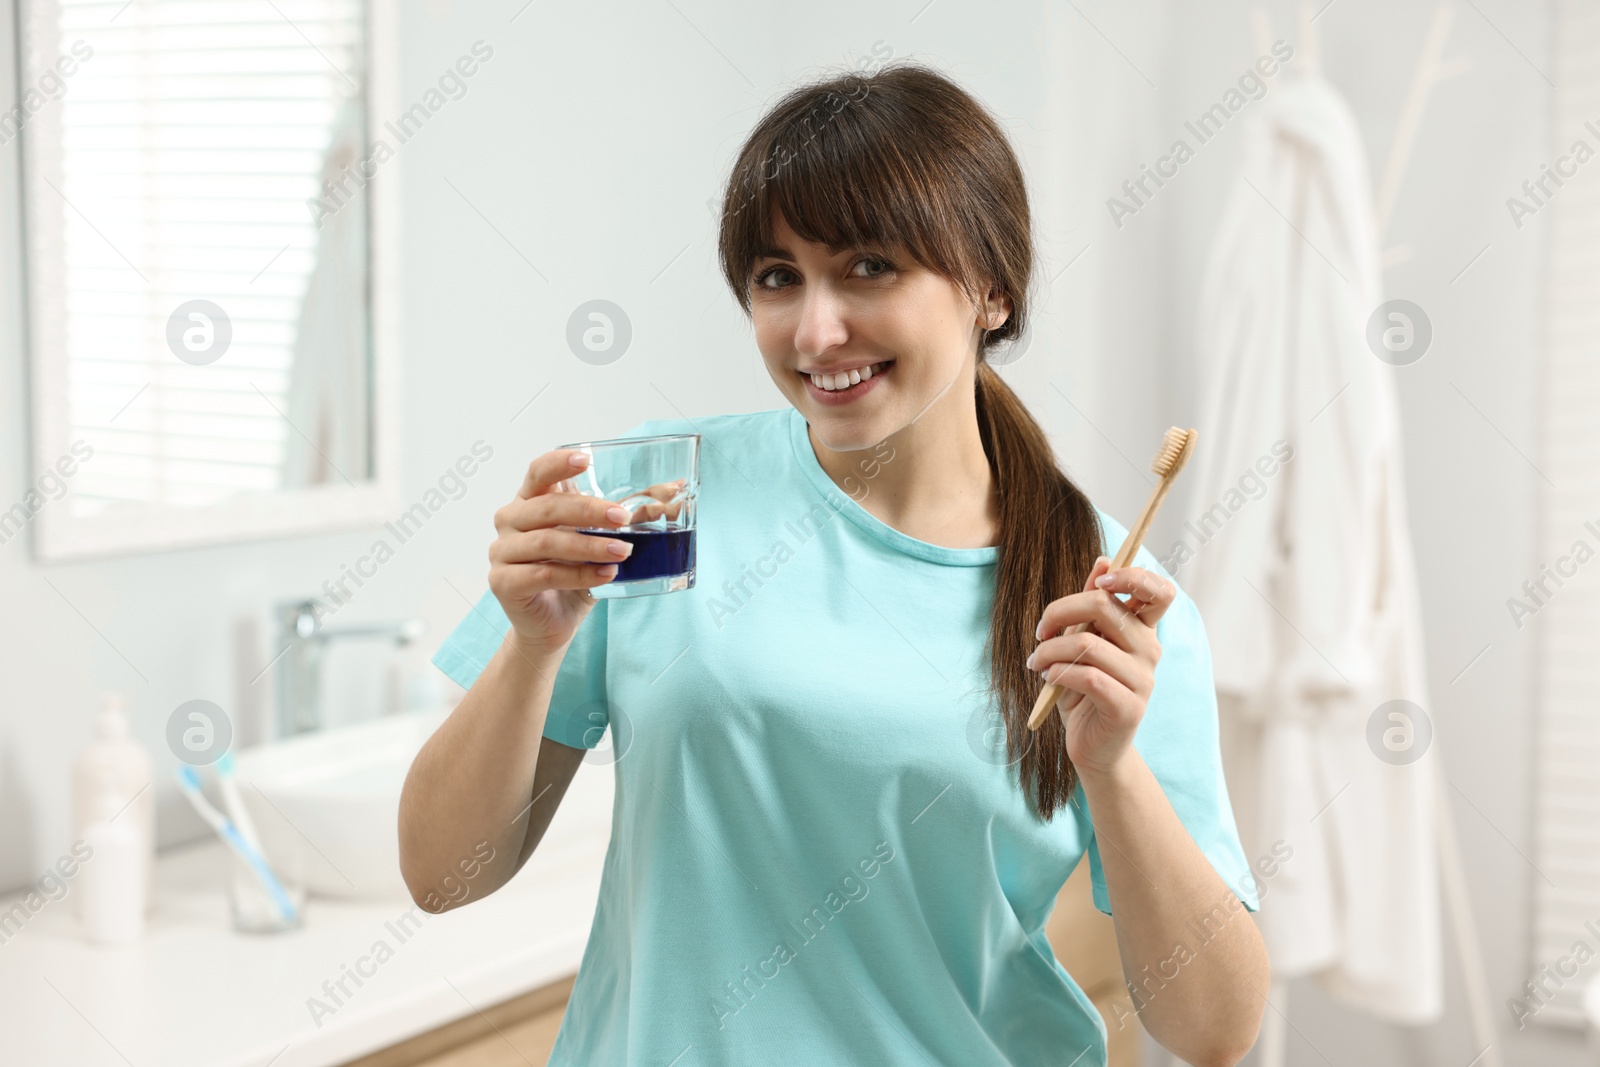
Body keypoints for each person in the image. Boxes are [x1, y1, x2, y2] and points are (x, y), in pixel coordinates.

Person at [399, 60, 1269, 1066]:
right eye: (778, 277)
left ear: (989, 286)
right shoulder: (663, 505)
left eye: (869, 268)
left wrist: (1111, 766)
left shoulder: (1100, 598)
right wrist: (529, 648)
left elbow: (1215, 1028)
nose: (816, 331)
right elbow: (440, 874)